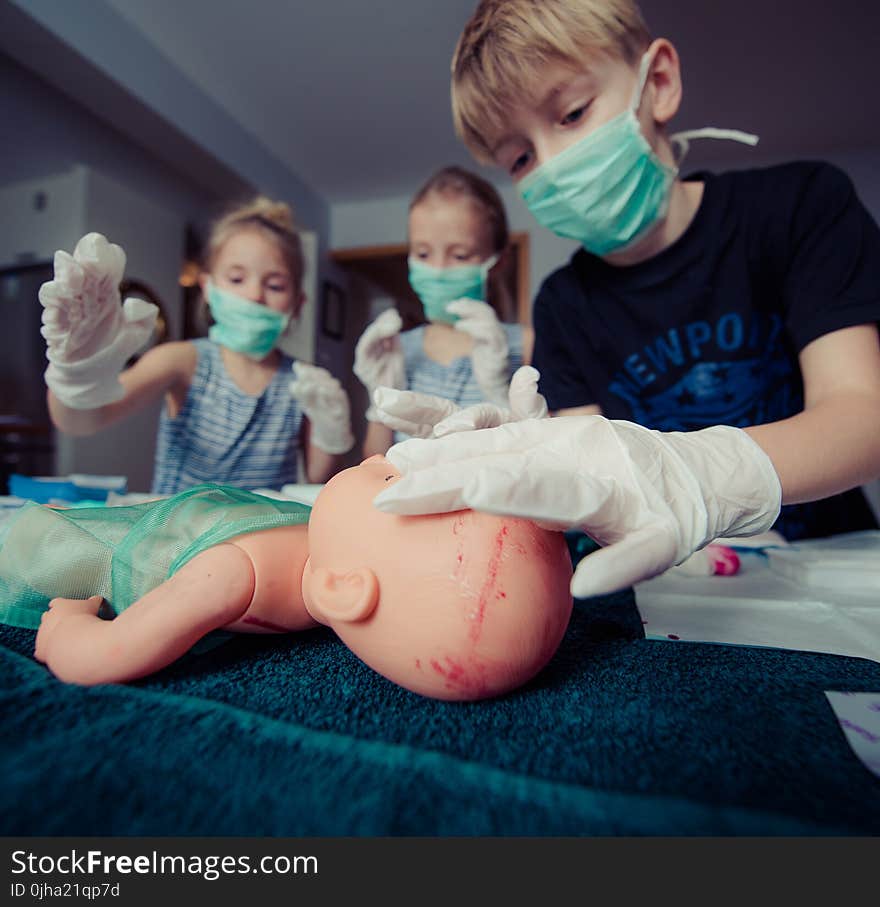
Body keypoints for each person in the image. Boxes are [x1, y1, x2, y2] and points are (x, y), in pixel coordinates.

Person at [371, 0, 880, 598]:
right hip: (677, 586)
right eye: (521, 157)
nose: (553, 165)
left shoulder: (799, 207)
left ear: (657, 83)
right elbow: (595, 485)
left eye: (573, 113)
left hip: (834, 568)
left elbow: (861, 414)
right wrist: (543, 463)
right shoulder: (562, 306)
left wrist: (708, 475)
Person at [0, 458, 573, 701]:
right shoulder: (334, 547)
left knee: (29, 544)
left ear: (342, 588)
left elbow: (104, 657)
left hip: (111, 547)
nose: (382, 454)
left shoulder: (228, 577)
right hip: (191, 513)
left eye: (392, 476)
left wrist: (67, 627)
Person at [40, 197, 354, 494]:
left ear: (298, 303)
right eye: (236, 279)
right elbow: (82, 421)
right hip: (180, 541)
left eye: (274, 285)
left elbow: (317, 480)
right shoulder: (182, 361)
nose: (255, 294)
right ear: (207, 287)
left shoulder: (304, 383)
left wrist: (332, 435)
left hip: (263, 543)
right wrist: (77, 369)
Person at [353, 165, 534, 457]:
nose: (437, 269)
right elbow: (374, 462)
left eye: (459, 255)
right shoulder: (400, 349)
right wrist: (379, 400)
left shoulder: (523, 344)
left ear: (497, 263)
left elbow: (545, 458)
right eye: (423, 253)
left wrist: (499, 393)